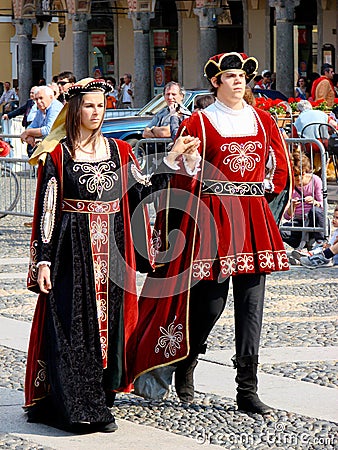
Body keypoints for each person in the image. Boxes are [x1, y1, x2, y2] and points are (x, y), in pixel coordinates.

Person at [24, 77, 199, 432]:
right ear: (75, 109)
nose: (96, 112)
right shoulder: (58, 155)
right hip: (71, 252)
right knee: (74, 327)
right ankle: (76, 407)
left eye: (101, 105)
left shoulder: (120, 151)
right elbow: (47, 209)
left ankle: (102, 399)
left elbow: (141, 190)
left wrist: (172, 157)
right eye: (89, 105)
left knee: (112, 325)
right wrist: (43, 259)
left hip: (114, 251)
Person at [133, 52, 292, 415]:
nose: (238, 81)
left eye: (242, 76)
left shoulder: (264, 120)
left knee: (252, 308)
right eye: (230, 76)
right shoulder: (200, 123)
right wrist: (181, 165)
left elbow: (280, 171)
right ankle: (187, 360)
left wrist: (262, 203)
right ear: (216, 82)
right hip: (215, 223)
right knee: (210, 306)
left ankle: (247, 389)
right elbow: (182, 175)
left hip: (252, 220)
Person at [280, 154, 324, 252]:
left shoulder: (315, 180)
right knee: (281, 230)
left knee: (315, 211)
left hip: (314, 220)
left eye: (302, 173)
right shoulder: (290, 184)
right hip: (299, 221)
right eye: (295, 175)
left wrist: (314, 202)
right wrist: (292, 206)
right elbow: (287, 217)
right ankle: (299, 247)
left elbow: (323, 206)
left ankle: (320, 244)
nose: (299, 178)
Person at [2, 86, 38, 157]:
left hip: (36, 127)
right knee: (29, 147)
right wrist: (9, 115)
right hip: (28, 126)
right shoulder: (30, 102)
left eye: (33, 93)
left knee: (33, 147)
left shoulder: (40, 103)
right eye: (30, 93)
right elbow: (20, 110)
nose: (31, 94)